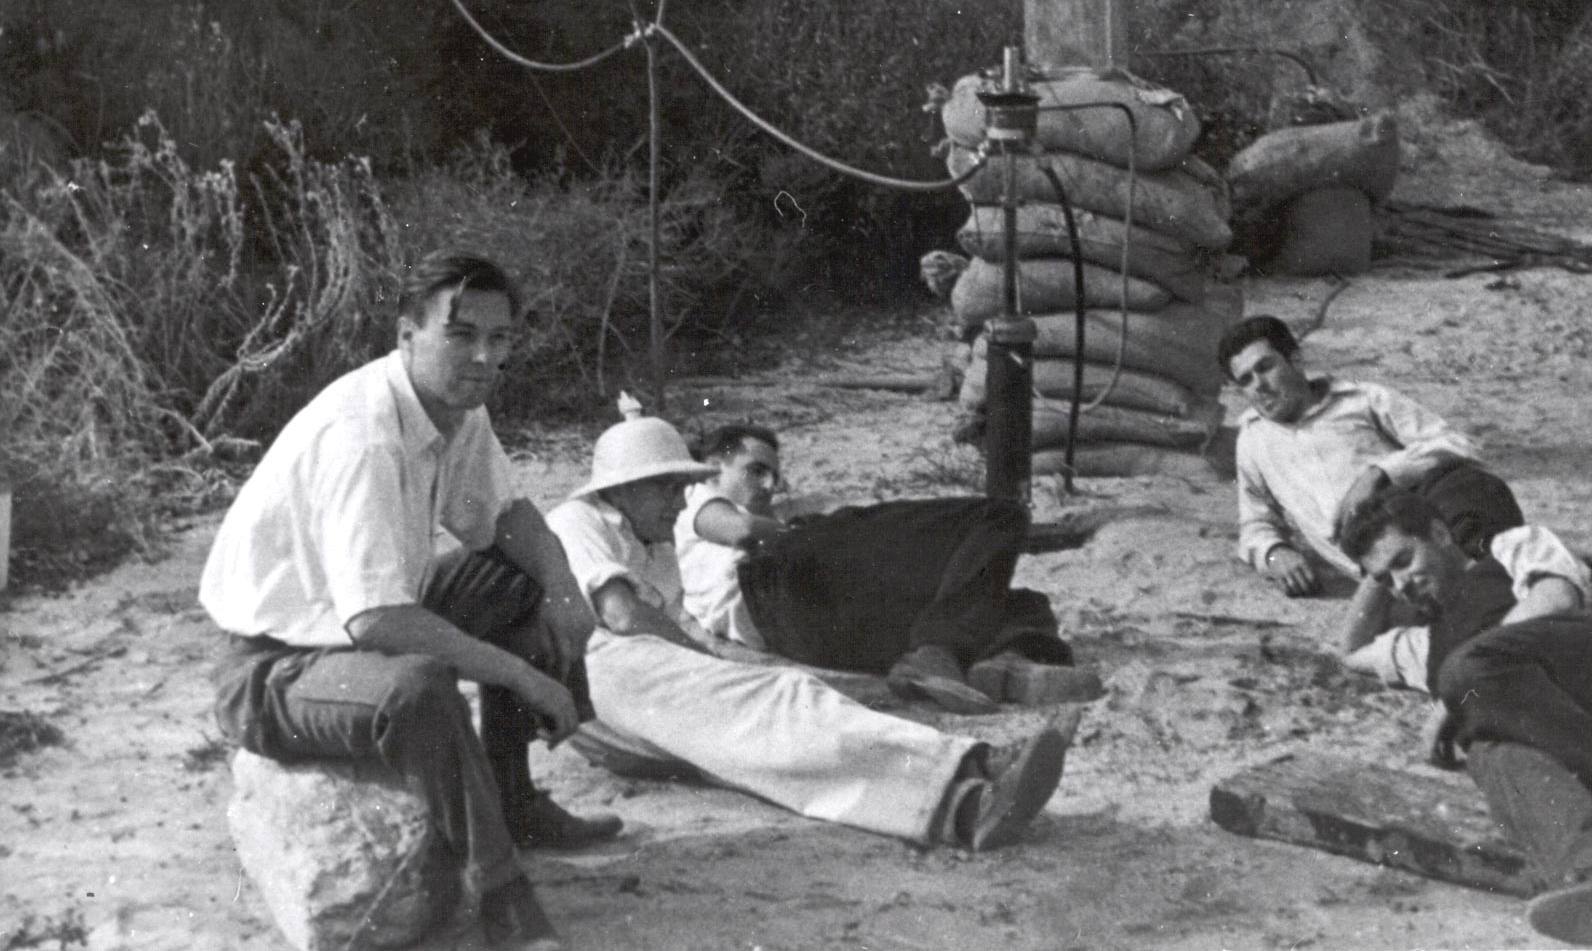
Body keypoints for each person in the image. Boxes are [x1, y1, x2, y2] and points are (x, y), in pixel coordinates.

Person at [199, 252, 620, 951]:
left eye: (500, 338)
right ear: (406, 337)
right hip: (273, 671)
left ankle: (513, 800)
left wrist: (565, 592)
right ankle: (502, 897)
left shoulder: (457, 405)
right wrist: (518, 672)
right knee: (419, 686)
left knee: (518, 578)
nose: (483, 357)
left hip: (347, 631)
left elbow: (505, 514)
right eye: (461, 336)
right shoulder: (364, 436)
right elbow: (376, 620)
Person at [541, 407, 1076, 851]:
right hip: (594, 668)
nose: (680, 501)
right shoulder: (577, 520)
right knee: (776, 700)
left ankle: (964, 792)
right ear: (625, 488)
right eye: (667, 488)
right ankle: (966, 776)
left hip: (617, 693)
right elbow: (621, 614)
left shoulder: (653, 546)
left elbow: (667, 621)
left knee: (759, 742)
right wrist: (714, 667)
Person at [1335, 488, 1592, 945]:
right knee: (1489, 755)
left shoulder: (1511, 549)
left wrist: (1458, 691)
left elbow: (1556, 600)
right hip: (1571, 756)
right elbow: (1353, 651)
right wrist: (1375, 576)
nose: (1401, 584)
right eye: (1387, 579)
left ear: (1439, 533)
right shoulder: (1425, 645)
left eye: (1403, 561)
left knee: (1464, 676)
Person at [1216, 316, 1592, 639]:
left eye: (1266, 366)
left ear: (1295, 360)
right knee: (1472, 597)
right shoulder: (1254, 442)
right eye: (1245, 380)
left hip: (1427, 515)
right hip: (1375, 559)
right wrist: (1274, 554)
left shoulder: (1360, 399)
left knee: (1473, 501)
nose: (1259, 386)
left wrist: (1380, 472)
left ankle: (1583, 585)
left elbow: (1455, 443)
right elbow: (1255, 522)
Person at [674, 422, 1099, 714]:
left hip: (808, 631)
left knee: (1016, 600)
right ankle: (946, 651)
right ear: (713, 468)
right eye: (755, 471)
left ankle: (1002, 663)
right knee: (1000, 515)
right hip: (773, 583)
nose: (769, 485)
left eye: (774, 476)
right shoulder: (696, 499)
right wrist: (797, 528)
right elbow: (743, 530)